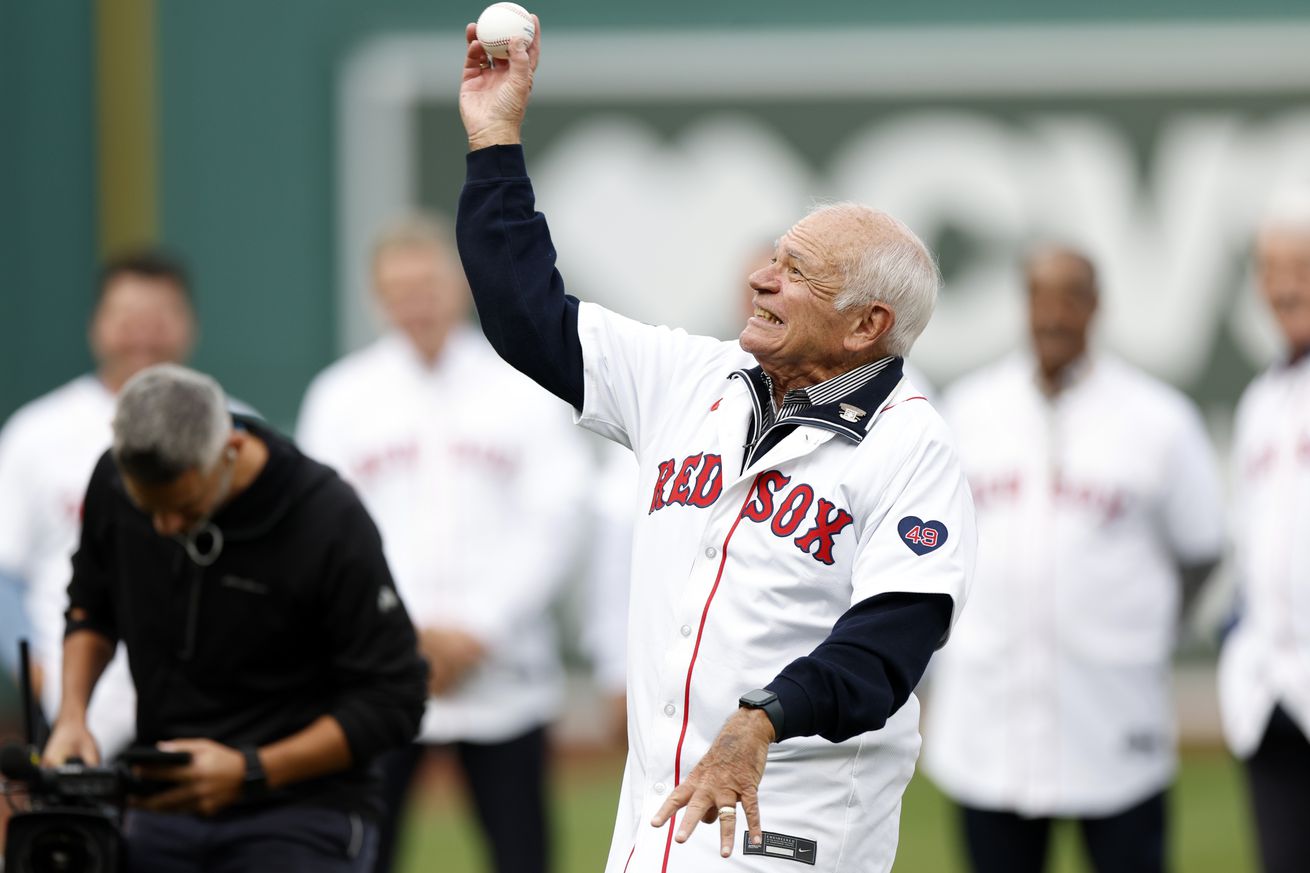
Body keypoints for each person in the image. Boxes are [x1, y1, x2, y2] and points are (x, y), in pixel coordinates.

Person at [454, 22, 976, 873]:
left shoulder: (912, 444)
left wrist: (765, 713)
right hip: (657, 817)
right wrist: (494, 139)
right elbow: (525, 313)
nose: (763, 279)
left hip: (791, 826)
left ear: (866, 325)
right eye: (772, 257)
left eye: (798, 270)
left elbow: (891, 643)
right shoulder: (690, 376)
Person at [41, 364, 427, 873]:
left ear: (232, 448)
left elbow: (395, 697)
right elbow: (91, 603)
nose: (164, 526)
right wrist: (71, 717)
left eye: (184, 507)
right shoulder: (113, 480)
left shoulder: (327, 517)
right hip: (164, 805)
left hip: (304, 813)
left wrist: (251, 769)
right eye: (147, 508)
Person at [296, 214, 589, 873]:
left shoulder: (521, 386)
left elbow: (558, 517)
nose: (416, 301)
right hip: (381, 670)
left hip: (505, 668)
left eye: (427, 283)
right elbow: (325, 532)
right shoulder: (342, 395)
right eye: (398, 288)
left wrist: (480, 624)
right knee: (361, 854)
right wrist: (404, 632)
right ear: (378, 296)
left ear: (458, 285)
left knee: (522, 854)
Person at [920, 246, 1225, 873]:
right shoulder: (968, 411)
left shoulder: (1158, 418)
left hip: (1113, 712)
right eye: (1040, 297)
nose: (1053, 316)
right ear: (1023, 305)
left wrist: (1141, 628)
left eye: (1069, 298)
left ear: (1096, 306)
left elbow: (1201, 553)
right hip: (991, 717)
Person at [0, 249, 198, 759]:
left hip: (199, 696)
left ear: (188, 325)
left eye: (160, 318)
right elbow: (6, 572)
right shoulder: (36, 432)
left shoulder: (230, 429)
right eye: (128, 319)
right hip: (71, 697)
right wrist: (42, 672)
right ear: (97, 326)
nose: (144, 335)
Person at [1219, 185, 1310, 873]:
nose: (1283, 284)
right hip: (1270, 692)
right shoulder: (1264, 397)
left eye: (1300, 264)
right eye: (1269, 266)